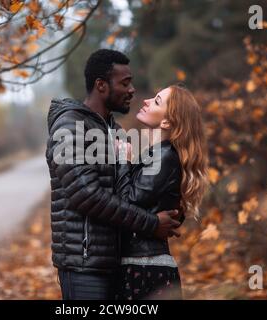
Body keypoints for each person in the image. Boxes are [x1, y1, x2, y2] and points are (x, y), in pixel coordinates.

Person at [45, 49, 181, 300]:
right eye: (125, 83)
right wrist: (151, 224)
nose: (132, 90)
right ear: (101, 85)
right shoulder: (70, 126)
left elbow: (131, 189)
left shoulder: (115, 131)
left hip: (116, 264)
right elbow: (86, 195)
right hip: (84, 266)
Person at [115, 85, 209, 300]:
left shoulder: (164, 157)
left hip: (145, 268)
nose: (146, 100)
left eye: (157, 101)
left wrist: (123, 161)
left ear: (166, 122)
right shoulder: (157, 155)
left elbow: (128, 200)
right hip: (141, 264)